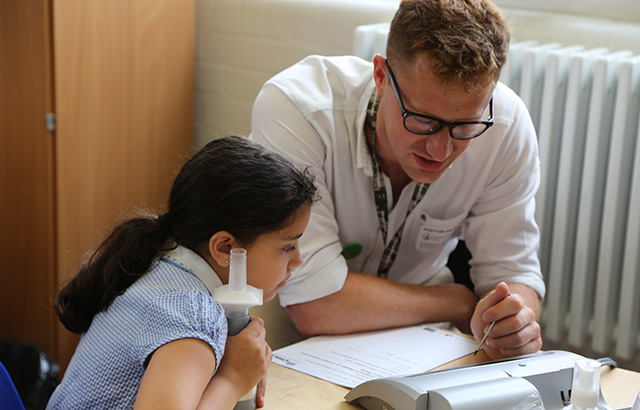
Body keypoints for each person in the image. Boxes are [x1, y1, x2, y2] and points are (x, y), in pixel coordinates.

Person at [249, 0, 545, 360]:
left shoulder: (506, 128)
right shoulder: (300, 110)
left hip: (421, 339)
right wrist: (458, 301)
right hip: (288, 338)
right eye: (422, 120)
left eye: (464, 126)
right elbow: (316, 304)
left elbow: (513, 271)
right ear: (380, 76)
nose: (439, 149)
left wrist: (516, 318)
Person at [46, 136, 318, 410]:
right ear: (225, 247)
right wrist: (232, 380)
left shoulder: (154, 264)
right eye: (288, 247)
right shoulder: (193, 312)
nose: (298, 260)